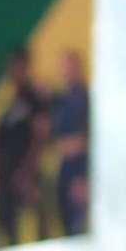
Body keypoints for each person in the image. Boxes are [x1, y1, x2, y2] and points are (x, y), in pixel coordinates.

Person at [0, 46, 42, 247]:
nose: (13, 71)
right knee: (8, 230)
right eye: (10, 67)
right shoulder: (5, 100)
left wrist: (28, 171)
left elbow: (40, 135)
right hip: (6, 174)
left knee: (34, 227)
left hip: (27, 172)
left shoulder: (35, 96)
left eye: (18, 66)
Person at [49, 48, 90, 238]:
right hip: (65, 169)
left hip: (78, 169)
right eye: (62, 67)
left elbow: (83, 140)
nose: (65, 71)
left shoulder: (82, 98)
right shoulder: (62, 99)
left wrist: (83, 177)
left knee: (77, 228)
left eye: (69, 66)